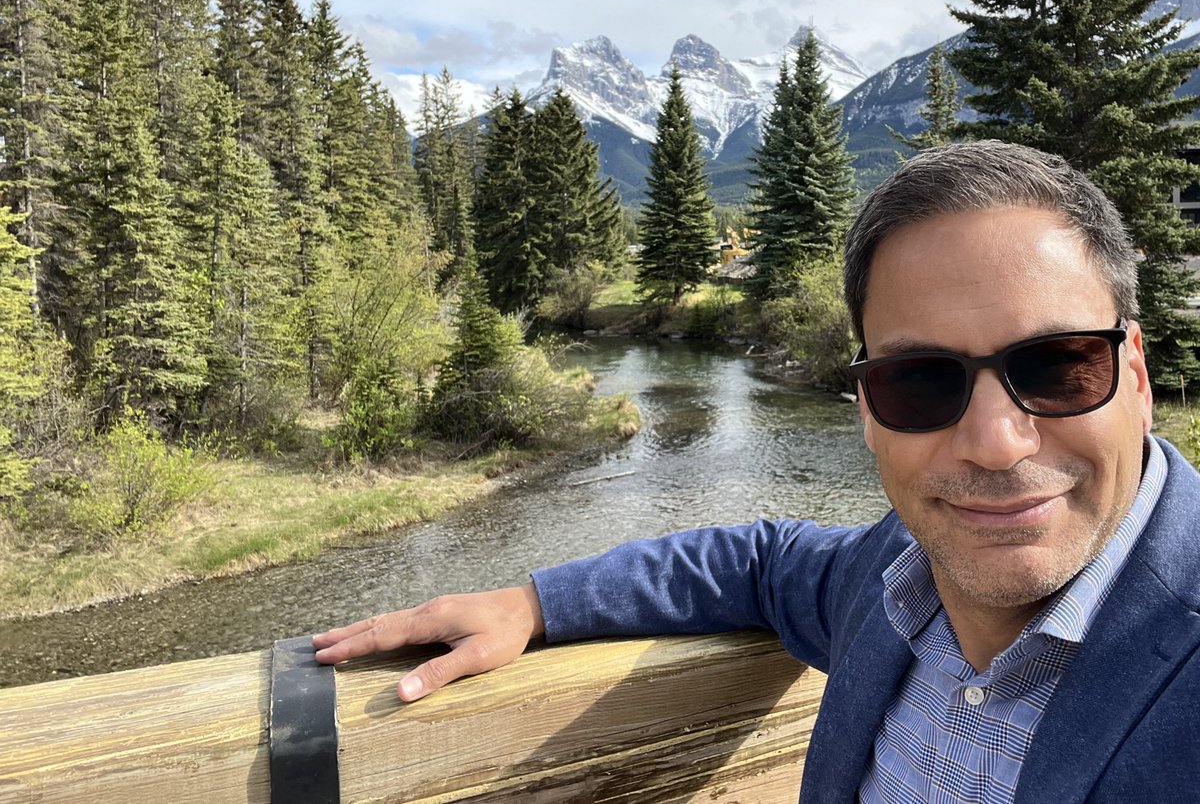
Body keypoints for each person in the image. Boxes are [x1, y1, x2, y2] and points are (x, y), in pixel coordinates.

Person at [313, 141, 1200, 803]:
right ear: (864, 408)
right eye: (918, 380)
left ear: (1136, 376)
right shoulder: (887, 579)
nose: (996, 441)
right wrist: (536, 603)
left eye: (1056, 367)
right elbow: (760, 561)